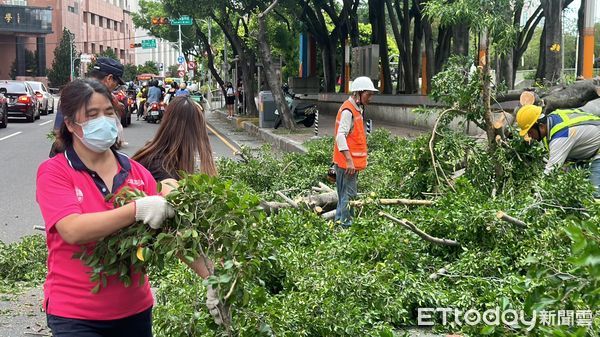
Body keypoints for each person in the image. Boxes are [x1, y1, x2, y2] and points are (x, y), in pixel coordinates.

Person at [36, 79, 175, 337]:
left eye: (109, 112)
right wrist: (136, 210)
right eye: (92, 114)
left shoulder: (137, 173)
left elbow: (172, 233)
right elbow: (72, 230)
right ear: (70, 124)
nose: (104, 119)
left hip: (134, 311)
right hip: (75, 315)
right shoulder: (55, 172)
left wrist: (212, 280)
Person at [131, 96, 222, 323]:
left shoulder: (159, 154)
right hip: (133, 252)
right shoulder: (161, 164)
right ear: (195, 129)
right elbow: (178, 222)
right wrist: (212, 277)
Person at [516, 104, 600, 197]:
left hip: (597, 153)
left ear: (540, 126)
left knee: (594, 195)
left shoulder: (561, 136)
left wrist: (536, 195)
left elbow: (551, 171)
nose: (530, 136)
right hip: (586, 155)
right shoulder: (552, 121)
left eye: (530, 132)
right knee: (574, 190)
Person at [50, 57, 126, 157]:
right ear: (109, 78)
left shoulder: (110, 98)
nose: (116, 87)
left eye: (108, 112)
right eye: (92, 114)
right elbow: (58, 132)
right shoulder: (76, 93)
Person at [332, 76, 378, 227]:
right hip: (347, 166)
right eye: (368, 94)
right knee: (349, 198)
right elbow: (340, 136)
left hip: (345, 164)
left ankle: (338, 225)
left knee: (343, 196)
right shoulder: (348, 111)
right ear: (358, 93)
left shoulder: (357, 108)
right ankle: (346, 227)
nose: (370, 98)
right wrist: (350, 161)